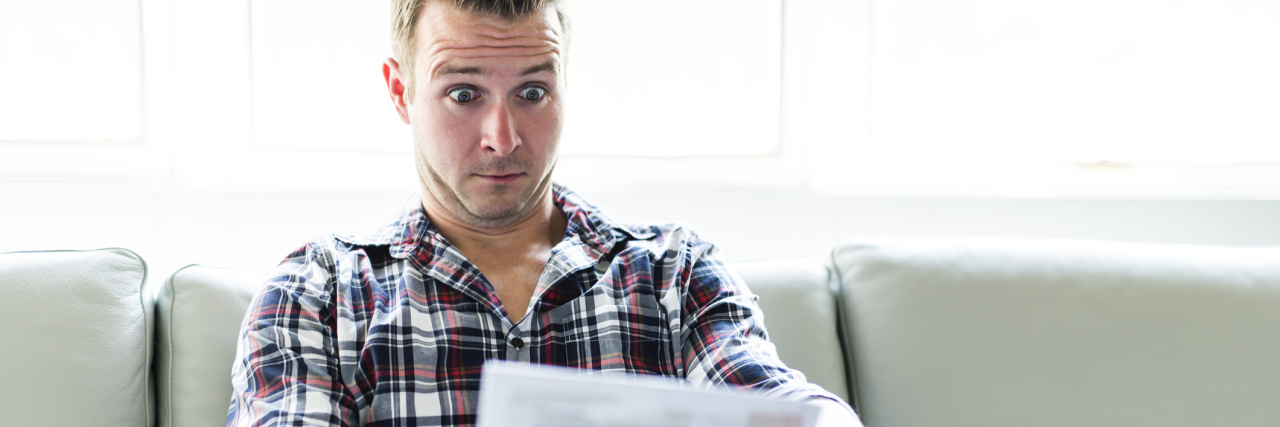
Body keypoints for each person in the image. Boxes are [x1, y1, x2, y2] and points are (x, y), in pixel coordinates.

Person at [226, 0, 861, 426]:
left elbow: (773, 399)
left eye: (533, 91)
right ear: (401, 93)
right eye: (463, 93)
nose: (502, 138)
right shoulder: (318, 292)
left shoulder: (673, 273)